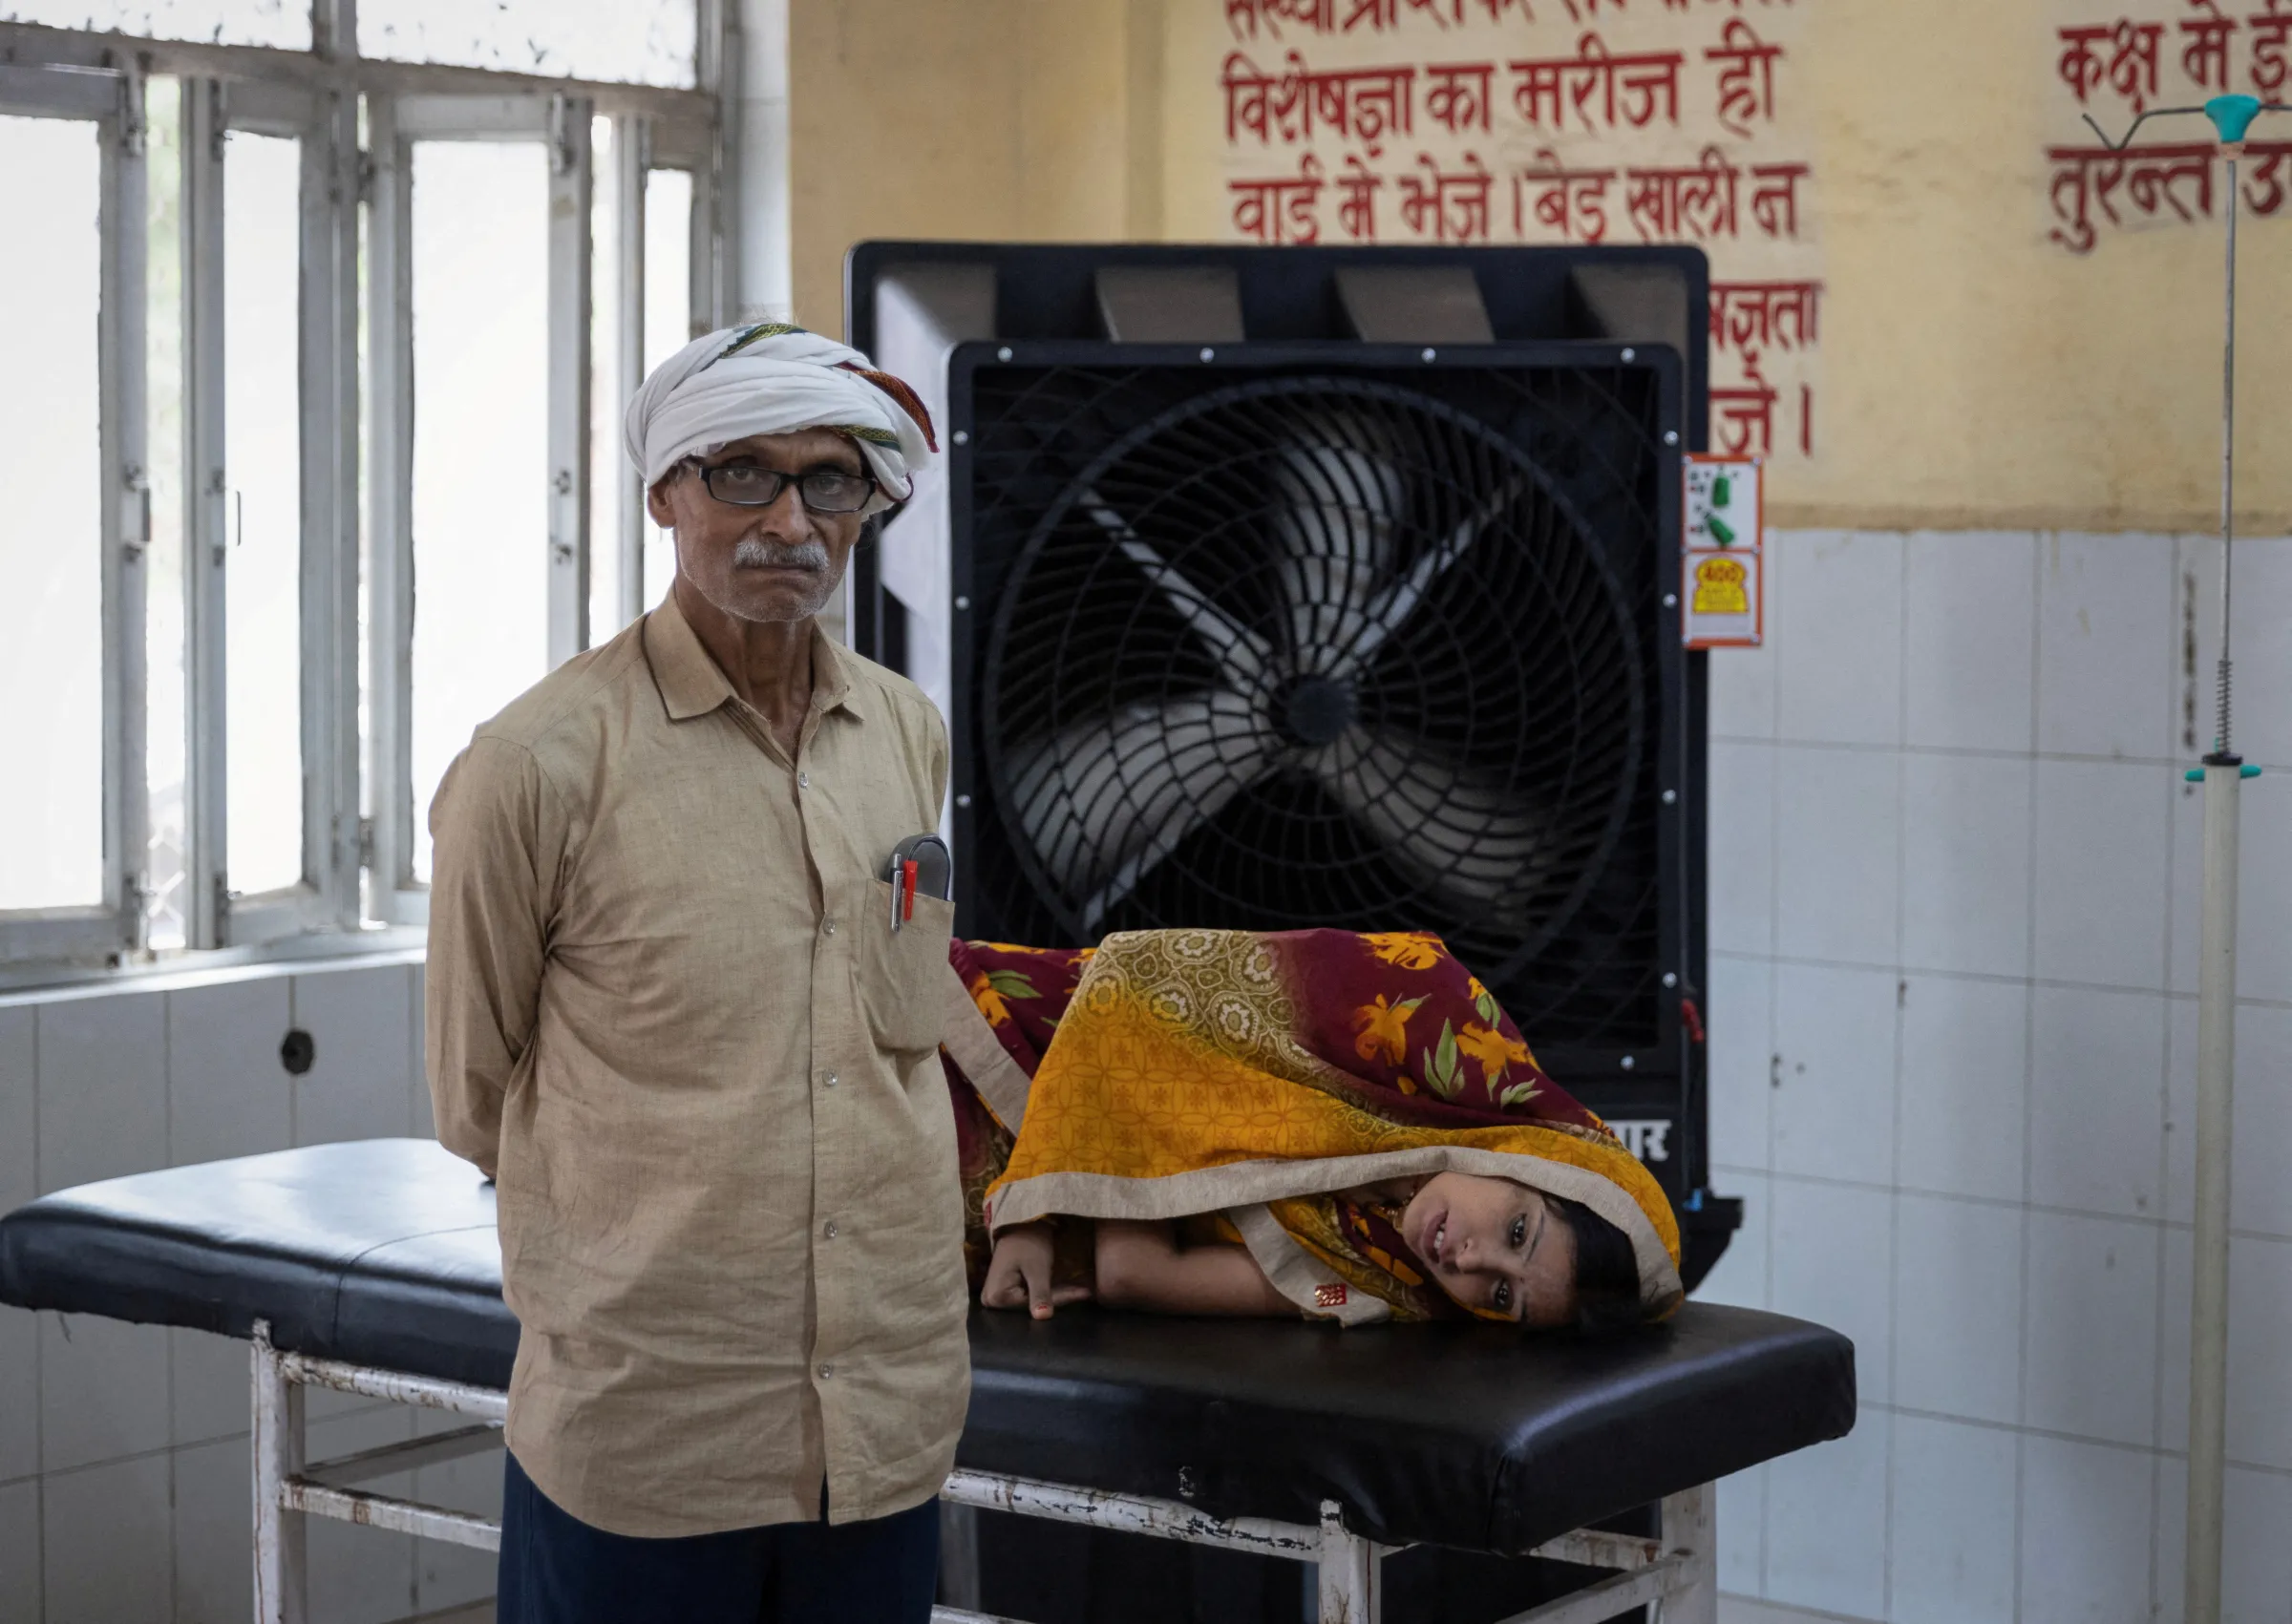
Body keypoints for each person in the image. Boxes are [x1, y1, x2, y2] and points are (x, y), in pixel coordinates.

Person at [426, 323, 959, 1624]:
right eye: (742, 475)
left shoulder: (904, 732)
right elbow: (471, 1093)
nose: (788, 519)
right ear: (666, 494)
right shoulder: (539, 765)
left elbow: (903, 1022)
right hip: (647, 1440)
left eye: (829, 479)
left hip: (882, 1426)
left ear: (869, 505)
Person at [934, 929, 1679, 1333]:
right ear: (1542, 1163)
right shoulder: (1424, 1006)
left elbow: (1140, 1277)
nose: (1471, 1262)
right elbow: (1136, 982)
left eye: (1502, 1297)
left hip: (968, 1230)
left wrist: (1082, 1188)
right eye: (1517, 1232)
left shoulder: (1375, 1286)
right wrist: (1038, 1203)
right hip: (982, 1061)